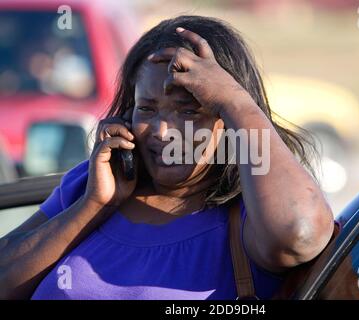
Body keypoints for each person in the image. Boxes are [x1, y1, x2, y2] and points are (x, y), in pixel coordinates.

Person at [0, 15, 334, 300]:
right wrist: (94, 206)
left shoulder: (251, 213)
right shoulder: (90, 187)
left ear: (228, 119)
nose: (161, 132)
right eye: (146, 108)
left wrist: (236, 101)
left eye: (189, 111)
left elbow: (300, 235)